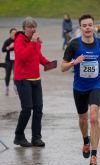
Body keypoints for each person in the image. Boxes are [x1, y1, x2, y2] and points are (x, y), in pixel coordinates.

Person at [61, 14, 100, 165]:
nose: (87, 28)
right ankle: (85, 140)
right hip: (79, 87)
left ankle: (94, 156)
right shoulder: (73, 44)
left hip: (96, 85)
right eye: (84, 25)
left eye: (90, 25)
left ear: (94, 26)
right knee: (83, 119)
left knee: (93, 117)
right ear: (80, 27)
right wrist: (74, 62)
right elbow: (62, 67)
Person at [13, 17, 53, 147]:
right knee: (27, 108)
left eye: (34, 26)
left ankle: (36, 138)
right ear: (24, 29)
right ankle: (19, 136)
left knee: (38, 108)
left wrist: (49, 63)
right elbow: (22, 57)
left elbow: (38, 56)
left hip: (36, 79)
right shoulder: (19, 39)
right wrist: (32, 43)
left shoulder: (35, 41)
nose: (33, 29)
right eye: (30, 27)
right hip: (23, 79)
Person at [2, 28, 17, 96]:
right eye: (12, 33)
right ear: (10, 34)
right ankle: (7, 87)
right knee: (8, 74)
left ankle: (15, 87)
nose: (14, 34)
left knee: (16, 75)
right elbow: (3, 50)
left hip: (16, 60)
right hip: (8, 60)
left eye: (15, 33)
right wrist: (9, 47)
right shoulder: (7, 41)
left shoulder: (18, 40)